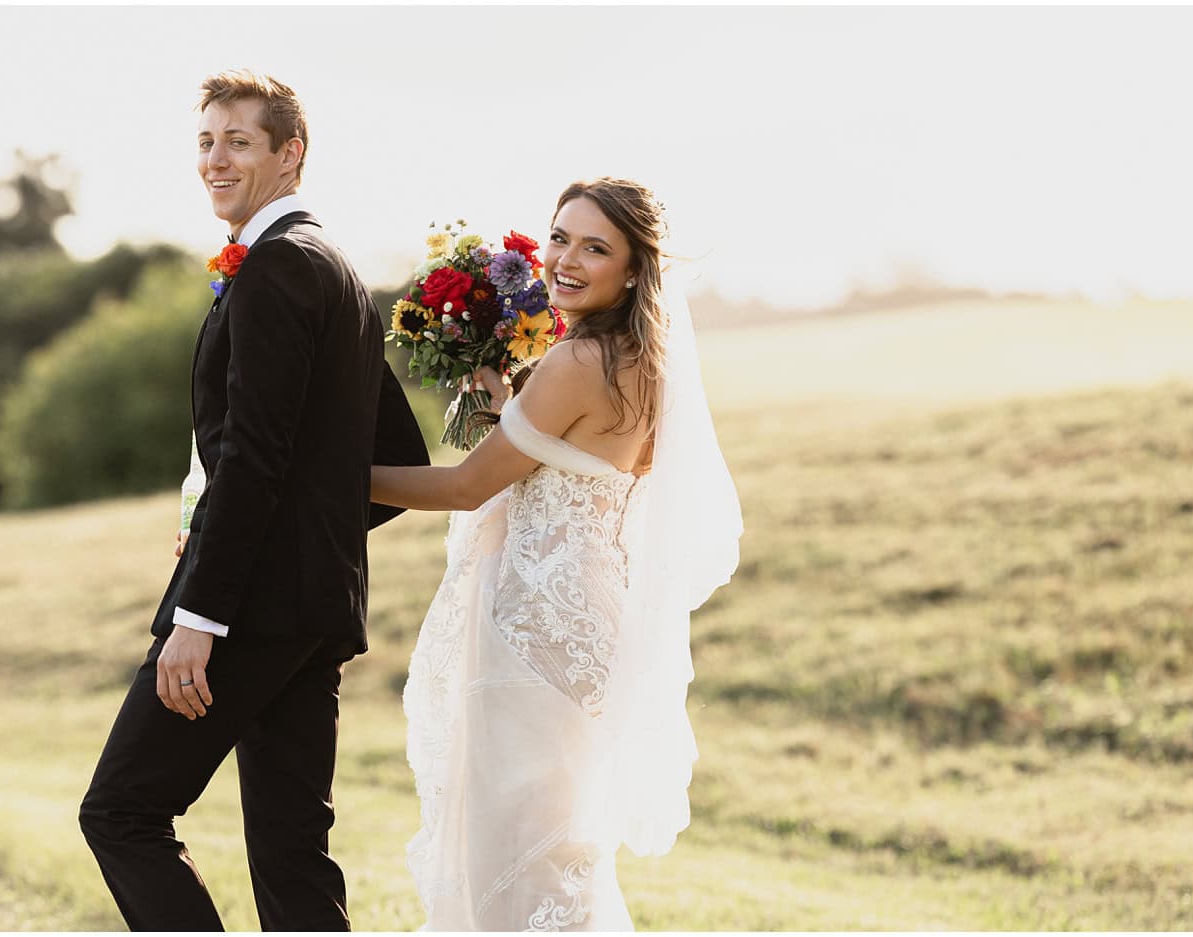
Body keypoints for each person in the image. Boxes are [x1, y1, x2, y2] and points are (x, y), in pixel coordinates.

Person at [79, 70, 429, 931]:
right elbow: (385, 456)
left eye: (238, 140)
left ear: (289, 153)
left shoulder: (276, 268)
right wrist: (314, 544)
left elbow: (254, 453)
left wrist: (204, 609)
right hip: (314, 604)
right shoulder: (337, 268)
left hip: (248, 609)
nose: (215, 159)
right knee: (290, 853)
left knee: (121, 810)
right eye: (205, 141)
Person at [371, 177, 743, 930]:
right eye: (561, 237)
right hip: (590, 622)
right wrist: (506, 396)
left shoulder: (578, 363)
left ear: (634, 269)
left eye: (595, 247)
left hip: (530, 630)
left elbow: (468, 485)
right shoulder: (641, 360)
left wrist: (322, 478)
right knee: (555, 852)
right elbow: (564, 453)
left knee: (512, 858)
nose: (566, 261)